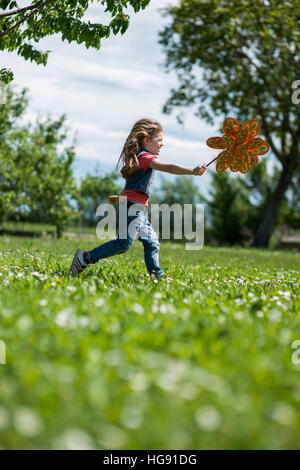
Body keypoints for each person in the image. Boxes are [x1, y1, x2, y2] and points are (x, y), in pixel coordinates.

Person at [69, 118, 206, 278]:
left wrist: (121, 198)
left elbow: (133, 186)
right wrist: (192, 170)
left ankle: (157, 276)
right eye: (159, 140)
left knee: (152, 243)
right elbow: (168, 168)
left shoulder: (139, 158)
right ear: (147, 140)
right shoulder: (145, 158)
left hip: (136, 208)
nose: (162, 144)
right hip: (134, 209)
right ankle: (85, 258)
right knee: (123, 244)